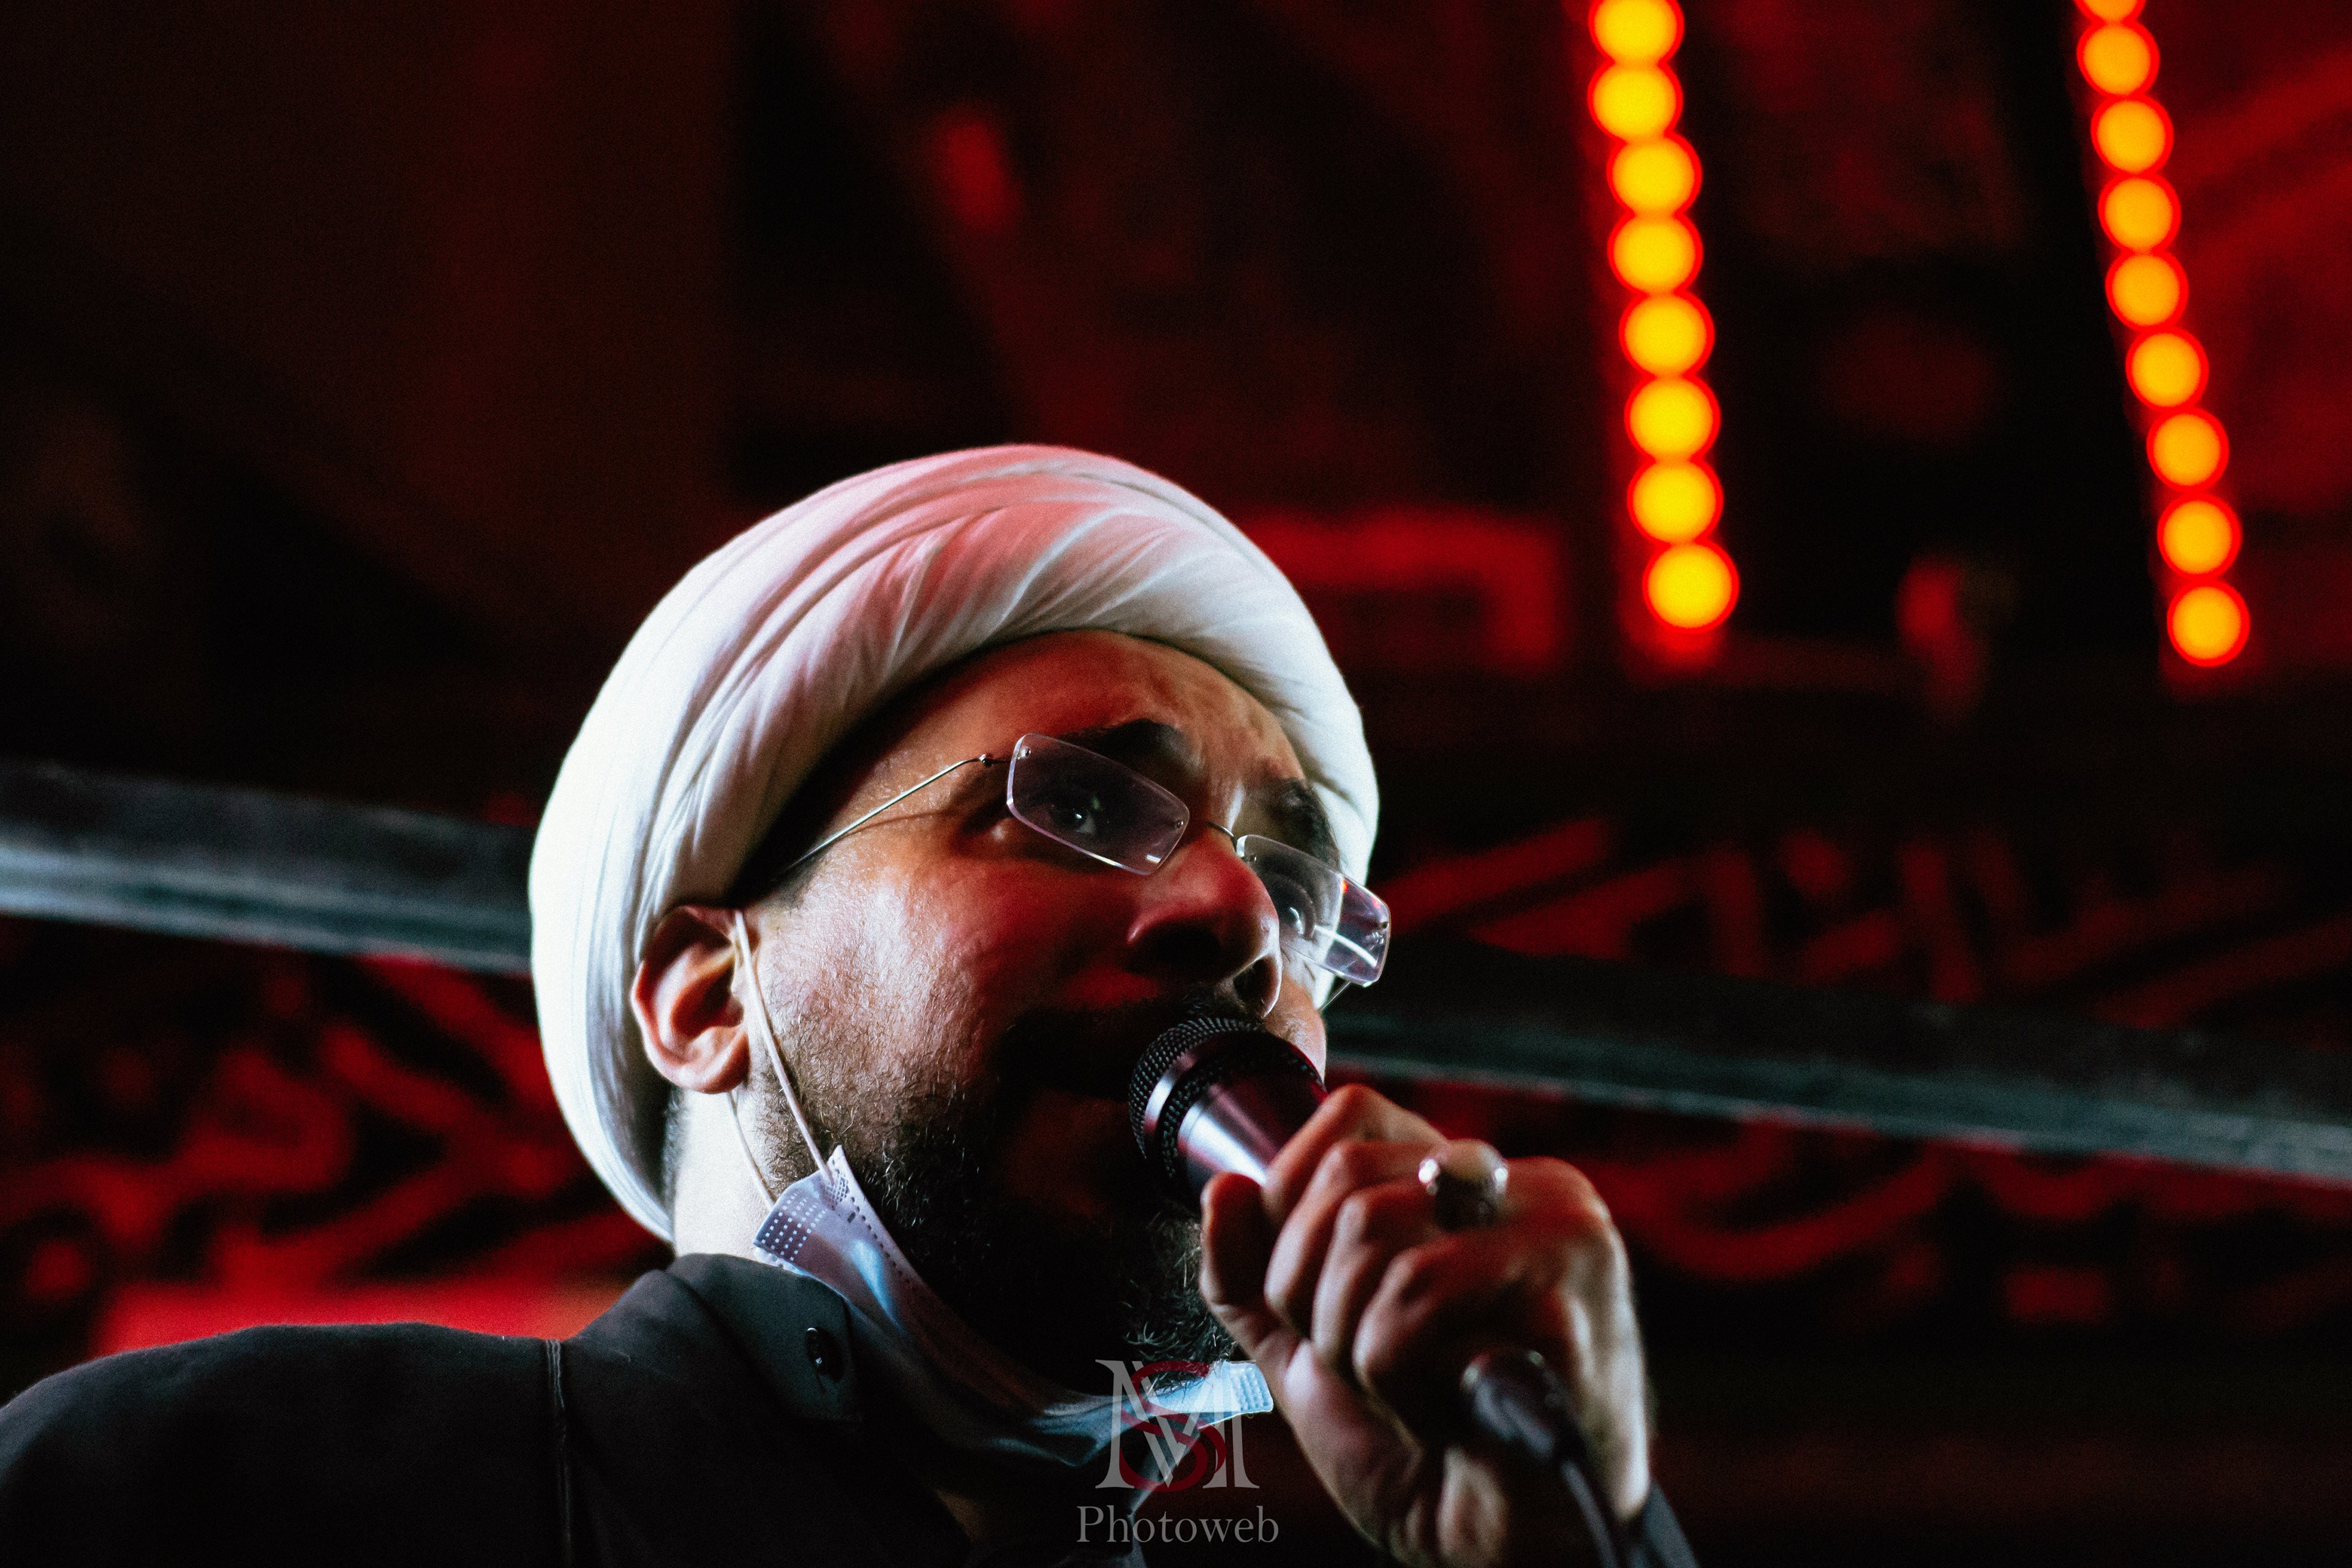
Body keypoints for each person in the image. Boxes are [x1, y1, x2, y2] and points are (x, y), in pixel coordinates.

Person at [0, 447, 1697, 1566]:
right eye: (1082, 804)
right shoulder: (222, 1491)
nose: (1243, 916)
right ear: (702, 995)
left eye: (1299, 887)